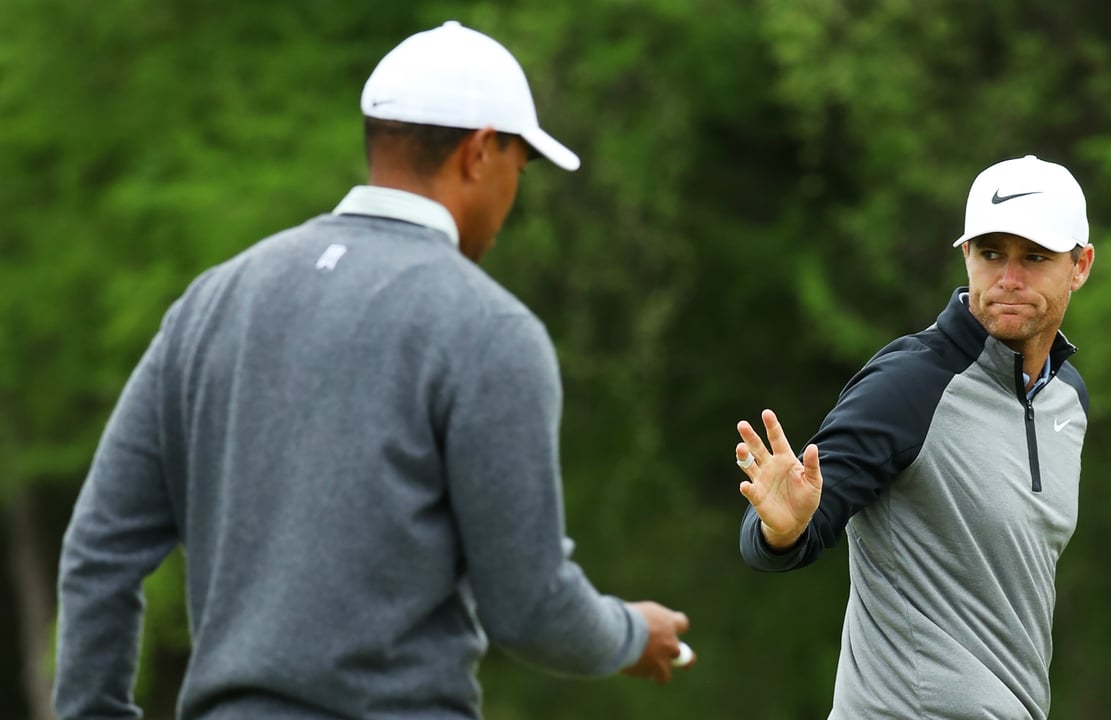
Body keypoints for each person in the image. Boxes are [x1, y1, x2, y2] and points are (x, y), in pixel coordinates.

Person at [54, 21, 691, 720]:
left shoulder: (212, 302)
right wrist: (631, 634)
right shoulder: (491, 330)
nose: (515, 195)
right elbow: (530, 609)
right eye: (522, 165)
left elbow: (100, 548)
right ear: (481, 152)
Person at [735, 155, 1095, 720]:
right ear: (966, 255)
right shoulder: (909, 383)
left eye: (1035, 257)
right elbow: (791, 530)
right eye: (991, 253)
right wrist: (781, 530)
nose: (1009, 278)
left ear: (1080, 266)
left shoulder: (1067, 399)